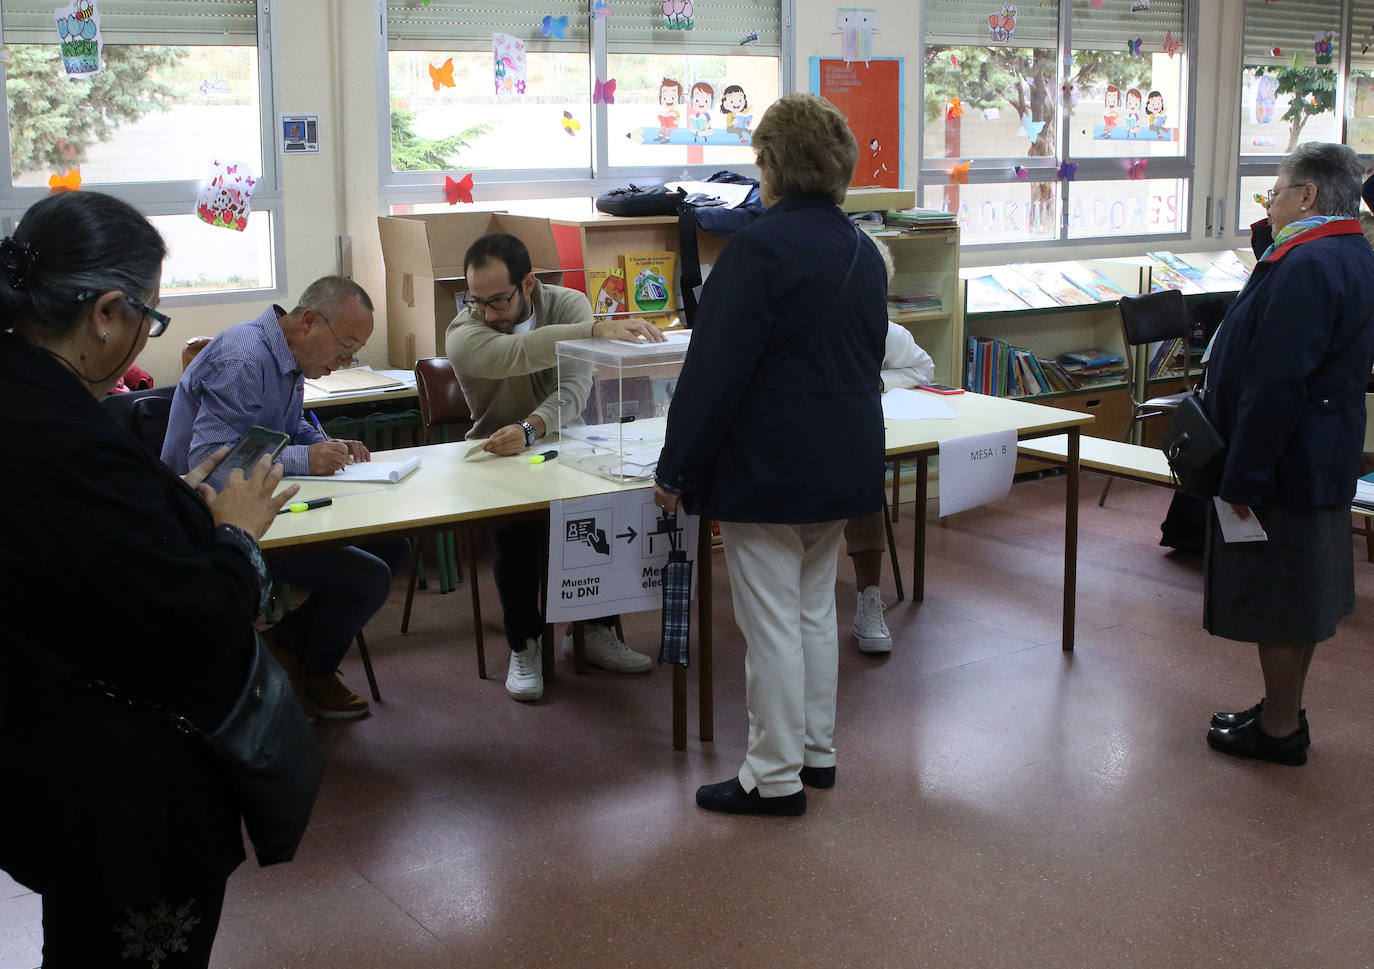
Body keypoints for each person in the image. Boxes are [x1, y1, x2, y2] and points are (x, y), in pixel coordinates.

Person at [0, 190, 298, 966]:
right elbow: (196, 621)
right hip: (122, 786)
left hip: (44, 751)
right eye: (146, 318)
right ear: (105, 312)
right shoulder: (69, 440)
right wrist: (235, 532)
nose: (141, 336)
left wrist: (175, 511)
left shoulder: (24, 393)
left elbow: (87, 557)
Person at [654, 93, 887, 816]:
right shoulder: (862, 249)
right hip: (845, 461)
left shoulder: (753, 250)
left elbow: (713, 374)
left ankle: (773, 774)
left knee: (772, 624)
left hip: (767, 468)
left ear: (771, 168)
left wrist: (676, 469)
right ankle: (816, 752)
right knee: (814, 609)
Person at [162, 276, 410, 720]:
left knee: (393, 546)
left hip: (261, 507)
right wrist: (306, 458)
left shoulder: (290, 358)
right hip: (208, 523)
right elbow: (211, 464)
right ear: (310, 321)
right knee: (367, 578)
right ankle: (310, 672)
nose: (346, 360)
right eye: (346, 346)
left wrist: (327, 443)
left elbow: (289, 428)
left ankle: (287, 647)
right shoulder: (245, 357)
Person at [1202, 142, 1374, 766]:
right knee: (1298, 598)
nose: (1268, 204)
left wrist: (1244, 475)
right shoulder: (1348, 250)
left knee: (1280, 600)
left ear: (1306, 196)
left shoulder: (1308, 264)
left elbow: (1277, 383)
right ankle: (1281, 710)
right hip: (1320, 453)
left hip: (1285, 462)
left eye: (1274, 192)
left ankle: (1278, 730)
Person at [445, 233, 665, 701]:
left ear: (529, 283)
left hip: (564, 442)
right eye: (476, 300)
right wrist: (591, 332)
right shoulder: (463, 332)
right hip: (494, 451)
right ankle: (524, 644)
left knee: (597, 517)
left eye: (499, 300)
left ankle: (596, 631)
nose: (488, 313)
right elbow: (512, 356)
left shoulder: (569, 306)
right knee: (518, 532)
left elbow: (575, 388)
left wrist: (531, 427)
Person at [848, 321, 935, 653]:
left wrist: (878, 381)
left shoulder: (884, 330)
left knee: (865, 475)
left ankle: (869, 598)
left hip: (854, 427)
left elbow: (923, 368)